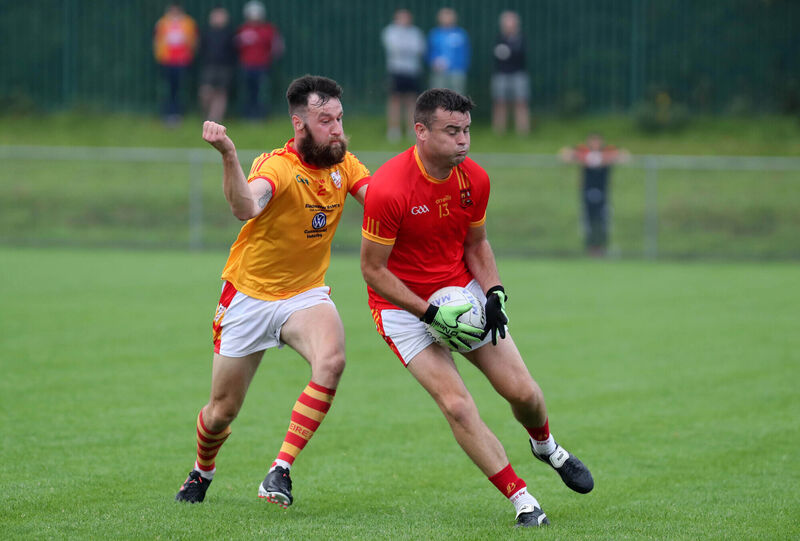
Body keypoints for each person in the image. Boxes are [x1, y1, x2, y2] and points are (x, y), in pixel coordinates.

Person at [360, 88, 593, 528]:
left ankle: (546, 447)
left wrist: (494, 291)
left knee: (524, 393)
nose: (463, 141)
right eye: (452, 131)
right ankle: (522, 499)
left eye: (467, 130)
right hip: (401, 308)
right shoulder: (389, 188)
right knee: (458, 406)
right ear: (421, 131)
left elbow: (477, 243)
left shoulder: (475, 179)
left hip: (460, 291)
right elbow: (372, 271)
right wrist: (428, 313)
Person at [175, 75, 370, 507]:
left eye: (339, 118)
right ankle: (201, 471)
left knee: (332, 361)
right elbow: (245, 206)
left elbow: (381, 201)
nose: (337, 128)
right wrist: (228, 154)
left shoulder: (346, 165)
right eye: (326, 120)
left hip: (304, 295)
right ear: (300, 124)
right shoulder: (277, 167)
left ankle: (279, 471)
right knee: (221, 411)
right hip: (249, 297)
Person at [559, 134, 631, 257]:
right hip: (587, 191)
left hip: (603, 191)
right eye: (592, 141)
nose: (595, 144)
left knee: (603, 220)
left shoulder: (607, 151)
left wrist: (605, 158)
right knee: (588, 220)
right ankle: (590, 247)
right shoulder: (583, 151)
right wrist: (584, 158)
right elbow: (563, 155)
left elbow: (626, 157)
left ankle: (602, 247)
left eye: (597, 141)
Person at [381, 8, 426, 142]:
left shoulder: (416, 32)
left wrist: (406, 48)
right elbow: (395, 48)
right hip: (396, 70)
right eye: (401, 17)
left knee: (412, 100)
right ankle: (394, 130)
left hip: (412, 71)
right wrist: (407, 48)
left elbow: (419, 49)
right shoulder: (390, 31)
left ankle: (411, 129)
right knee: (395, 100)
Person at [235, 0, 284, 120]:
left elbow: (277, 47)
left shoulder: (268, 29)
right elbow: (235, 47)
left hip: (262, 66)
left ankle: (260, 115)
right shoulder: (243, 30)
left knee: (261, 93)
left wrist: (269, 59)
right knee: (247, 92)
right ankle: (247, 115)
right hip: (246, 66)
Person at [153, 3, 199, 126]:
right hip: (167, 61)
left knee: (179, 88)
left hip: (182, 61)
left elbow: (193, 41)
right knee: (169, 88)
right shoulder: (162, 23)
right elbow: (157, 41)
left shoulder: (188, 23)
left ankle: (178, 114)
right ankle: (168, 113)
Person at [491, 10, 530, 136]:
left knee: (520, 102)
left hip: (518, 74)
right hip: (501, 74)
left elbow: (521, 56)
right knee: (500, 102)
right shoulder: (499, 38)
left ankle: (523, 131)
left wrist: (509, 53)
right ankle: (499, 131)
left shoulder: (521, 38)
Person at [198, 7, 237, 122]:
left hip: (225, 67)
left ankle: (215, 119)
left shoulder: (230, 34)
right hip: (209, 66)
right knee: (205, 92)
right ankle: (206, 116)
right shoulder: (207, 33)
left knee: (221, 93)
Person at [427, 8, 470, 95]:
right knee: (438, 97)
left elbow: (465, 53)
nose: (447, 19)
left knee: (457, 97)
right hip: (439, 72)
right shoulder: (434, 34)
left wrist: (460, 66)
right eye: (444, 17)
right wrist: (434, 62)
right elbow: (429, 52)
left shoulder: (460, 34)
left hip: (457, 71)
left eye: (449, 17)